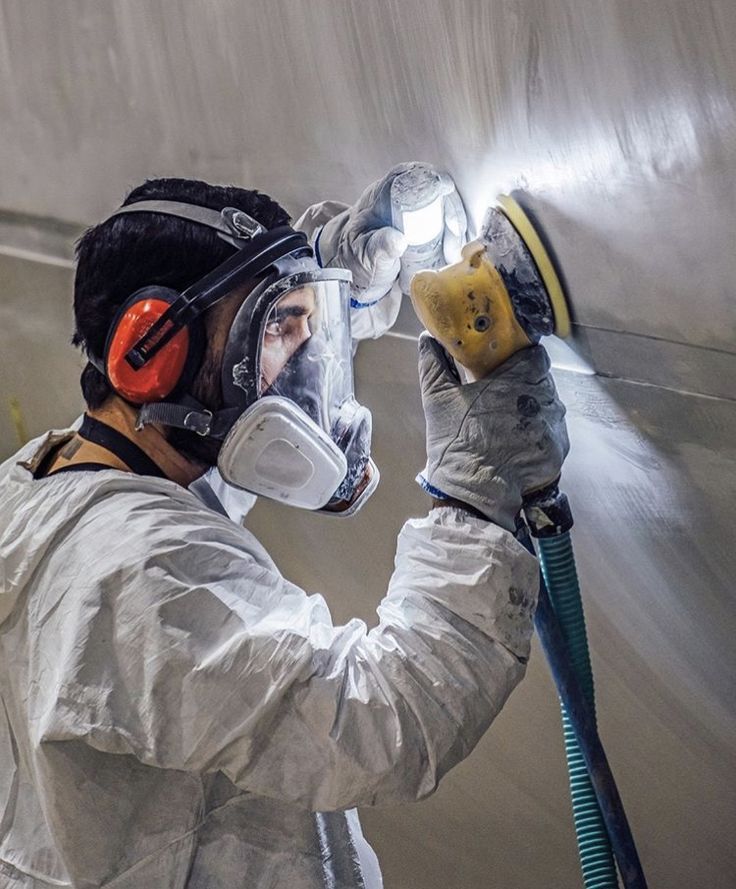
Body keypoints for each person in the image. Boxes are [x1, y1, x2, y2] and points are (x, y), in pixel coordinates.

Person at [0, 166, 568, 889]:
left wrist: (327, 295)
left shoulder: (43, 485)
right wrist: (475, 493)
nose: (307, 360)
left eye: (307, 324)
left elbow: (200, 464)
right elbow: (383, 720)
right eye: (277, 327)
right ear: (149, 356)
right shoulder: (140, 576)